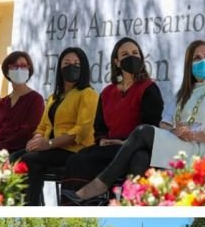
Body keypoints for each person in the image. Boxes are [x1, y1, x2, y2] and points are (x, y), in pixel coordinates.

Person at [65, 40, 205, 204]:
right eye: (197, 58)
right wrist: (175, 131)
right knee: (135, 157)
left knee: (142, 135)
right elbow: (164, 123)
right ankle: (123, 204)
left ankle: (101, 185)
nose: (203, 61)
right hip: (180, 147)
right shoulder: (183, 92)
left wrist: (194, 135)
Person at [61, 37, 164, 196]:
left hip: (135, 146)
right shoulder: (107, 93)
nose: (131, 57)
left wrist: (124, 142)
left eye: (135, 53)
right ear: (117, 62)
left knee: (139, 158)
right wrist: (102, 140)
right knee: (77, 160)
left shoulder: (149, 88)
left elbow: (151, 127)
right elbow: (99, 127)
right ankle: (76, 204)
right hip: (110, 145)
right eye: (125, 54)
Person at [18, 46, 98, 205]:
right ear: (60, 68)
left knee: (29, 160)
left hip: (74, 150)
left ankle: (30, 206)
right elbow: (42, 127)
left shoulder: (88, 94)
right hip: (51, 149)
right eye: (66, 63)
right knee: (13, 158)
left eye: (76, 63)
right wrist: (35, 141)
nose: (71, 66)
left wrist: (48, 144)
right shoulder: (54, 98)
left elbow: (81, 131)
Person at [0, 50, 45, 155]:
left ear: (29, 69)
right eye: (14, 66)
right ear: (7, 71)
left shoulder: (36, 100)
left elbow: (27, 132)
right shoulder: (1, 103)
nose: (19, 69)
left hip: (18, 153)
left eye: (23, 66)